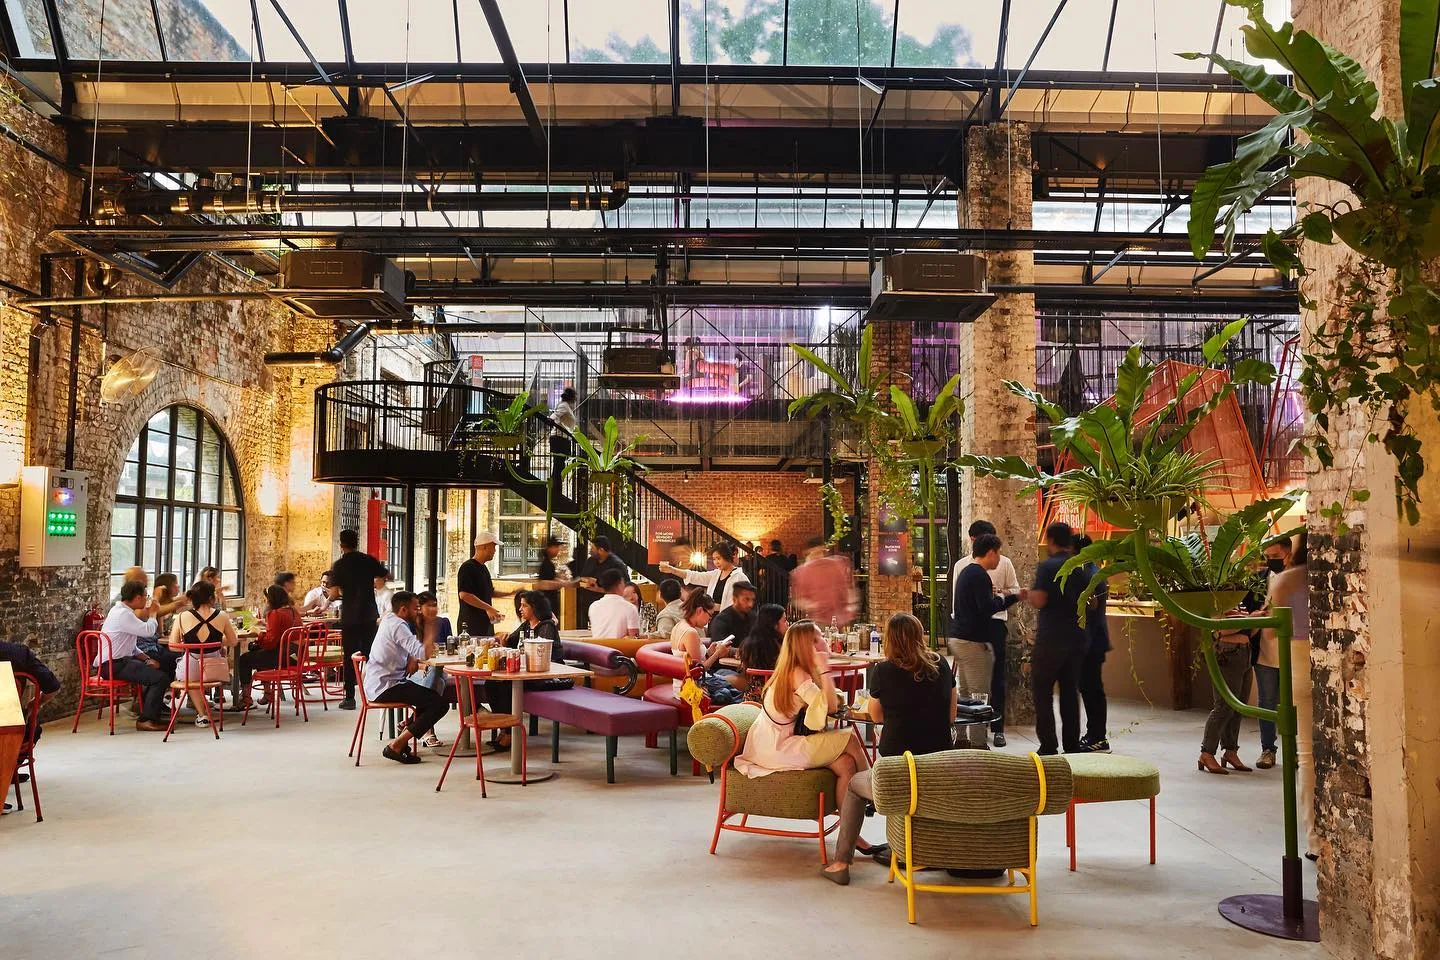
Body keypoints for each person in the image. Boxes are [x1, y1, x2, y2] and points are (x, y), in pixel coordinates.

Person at [822, 612, 957, 884]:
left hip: (897, 773)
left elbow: (876, 717)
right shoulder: (941, 664)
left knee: (854, 786)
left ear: (890, 640)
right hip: (938, 770)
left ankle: (840, 863)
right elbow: (952, 715)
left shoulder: (883, 671)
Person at [734, 620, 869, 839]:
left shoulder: (794, 670)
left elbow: (823, 705)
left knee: (846, 764)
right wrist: (824, 669)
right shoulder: (798, 674)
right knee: (850, 739)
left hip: (772, 743)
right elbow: (830, 707)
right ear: (807, 646)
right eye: (817, 638)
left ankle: (850, 837)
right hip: (779, 748)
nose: (824, 640)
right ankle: (872, 791)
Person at [950, 532, 1027, 748]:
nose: (999, 558)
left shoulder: (967, 571)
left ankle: (962, 739)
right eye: (998, 553)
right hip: (973, 642)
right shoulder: (979, 575)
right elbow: (987, 609)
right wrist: (1011, 598)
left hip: (960, 638)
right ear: (991, 553)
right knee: (979, 696)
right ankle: (978, 744)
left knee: (965, 692)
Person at [1265, 532, 1315, 857]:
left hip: (1297, 660)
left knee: (1306, 754)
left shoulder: (1286, 580)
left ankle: (1314, 839)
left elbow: (1272, 630)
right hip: (1336, 658)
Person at [1027, 522, 1092, 755]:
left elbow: (1040, 600)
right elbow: (1092, 601)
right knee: (1070, 693)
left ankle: (1048, 744)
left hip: (1051, 639)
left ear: (1051, 540)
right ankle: (1072, 744)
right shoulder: (1079, 567)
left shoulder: (1047, 567)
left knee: (1042, 691)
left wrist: (1029, 595)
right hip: (1076, 638)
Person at [364, 592, 448, 765]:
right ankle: (397, 744)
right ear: (403, 609)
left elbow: (411, 650)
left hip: (381, 681)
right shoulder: (398, 626)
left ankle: (405, 731)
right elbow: (423, 653)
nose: (418, 612)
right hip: (387, 686)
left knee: (433, 692)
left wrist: (411, 658)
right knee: (439, 704)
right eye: (415, 608)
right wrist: (431, 624)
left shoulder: (390, 619)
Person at [485, 591, 570, 748]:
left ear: (535, 607)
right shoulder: (526, 625)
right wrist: (502, 641)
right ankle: (505, 728)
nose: (520, 609)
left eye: (524, 606)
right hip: (530, 674)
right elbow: (511, 641)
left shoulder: (547, 626)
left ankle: (511, 733)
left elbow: (541, 653)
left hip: (548, 677)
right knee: (491, 684)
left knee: (506, 686)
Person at [327, 528, 389, 710]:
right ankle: (378, 691)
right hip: (369, 614)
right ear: (356, 542)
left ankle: (349, 698)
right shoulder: (367, 560)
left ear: (341, 544)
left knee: (349, 657)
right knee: (372, 654)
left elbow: (334, 593)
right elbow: (384, 574)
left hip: (350, 616)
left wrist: (333, 597)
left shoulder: (339, 565)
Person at [167, 579, 240, 726]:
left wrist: (190, 645)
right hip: (215, 669)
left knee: (191, 678)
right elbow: (233, 641)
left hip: (191, 669)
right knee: (196, 676)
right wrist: (216, 642)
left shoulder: (182, 617)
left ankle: (202, 714)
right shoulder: (222, 616)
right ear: (211, 598)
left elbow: (173, 646)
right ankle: (205, 711)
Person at [97, 581, 169, 731]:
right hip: (114, 665)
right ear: (137, 598)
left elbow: (130, 646)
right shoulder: (123, 614)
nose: (147, 599)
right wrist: (153, 613)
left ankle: (152, 711)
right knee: (160, 678)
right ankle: (146, 720)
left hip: (120, 662)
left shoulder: (121, 611)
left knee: (159, 671)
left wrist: (147, 659)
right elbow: (148, 631)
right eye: (146, 596)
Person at [1198, 598, 1257, 775]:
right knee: (1224, 705)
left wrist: (1256, 621)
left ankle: (1230, 751)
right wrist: (1250, 620)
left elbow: (1248, 631)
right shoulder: (1217, 600)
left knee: (1238, 706)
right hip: (1228, 653)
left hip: (1244, 653)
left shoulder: (1239, 601)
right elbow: (1221, 630)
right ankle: (1207, 752)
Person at [1254, 535, 1294, 769]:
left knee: (1294, 701)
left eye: (1276, 556)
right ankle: (1268, 749)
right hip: (1265, 651)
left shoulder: (1299, 579)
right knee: (1266, 702)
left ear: (1288, 553)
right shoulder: (1258, 581)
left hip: (1294, 650)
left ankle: (1296, 751)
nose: (1271, 561)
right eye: (1267, 557)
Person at [1072, 534, 1111, 753]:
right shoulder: (1094, 571)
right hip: (1094, 641)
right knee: (1090, 689)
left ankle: (1097, 737)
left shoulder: (1089, 574)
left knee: (1092, 690)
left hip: (1090, 642)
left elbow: (1091, 607)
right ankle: (1094, 734)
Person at [236, 583, 301, 711]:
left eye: (266, 599)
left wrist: (258, 633)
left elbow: (270, 643)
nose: (265, 602)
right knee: (259, 651)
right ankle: (267, 693)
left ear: (271, 599)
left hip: (283, 657)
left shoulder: (275, 613)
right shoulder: (293, 611)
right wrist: (266, 625)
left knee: (244, 659)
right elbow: (283, 630)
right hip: (296, 655)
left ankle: (246, 697)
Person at [668, 591, 740, 704]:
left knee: (731, 683)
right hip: (693, 688)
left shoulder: (679, 625)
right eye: (710, 616)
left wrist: (709, 652)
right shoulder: (691, 633)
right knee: (739, 693)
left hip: (683, 685)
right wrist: (717, 653)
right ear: (700, 610)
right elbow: (698, 671)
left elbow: (694, 662)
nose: (709, 621)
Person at [408, 591, 454, 748]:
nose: (433, 608)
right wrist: (423, 664)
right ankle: (426, 729)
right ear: (419, 608)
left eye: (435, 605)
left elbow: (450, 650)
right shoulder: (411, 626)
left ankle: (413, 721)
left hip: (438, 670)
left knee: (436, 673)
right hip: (415, 673)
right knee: (438, 682)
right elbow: (409, 658)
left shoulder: (443, 623)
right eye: (429, 606)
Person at [658, 540, 750, 611]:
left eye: (718, 558)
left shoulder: (739, 577)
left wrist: (716, 607)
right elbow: (695, 576)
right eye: (714, 559)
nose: (716, 562)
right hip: (713, 619)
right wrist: (672, 570)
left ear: (727, 557)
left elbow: (744, 605)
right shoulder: (716, 574)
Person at [789, 538, 858, 628]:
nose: (818, 556)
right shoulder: (801, 572)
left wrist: (851, 604)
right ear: (808, 553)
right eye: (815, 553)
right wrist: (812, 605)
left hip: (841, 617)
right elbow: (798, 599)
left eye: (820, 552)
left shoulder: (837, 564)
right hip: (819, 620)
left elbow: (849, 588)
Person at [0, 641, 60, 742]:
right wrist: (32, 705)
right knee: (33, 729)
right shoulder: (20, 653)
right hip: (10, 730)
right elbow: (52, 687)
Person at [457, 532, 503, 637]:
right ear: (485, 547)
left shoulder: (484, 568)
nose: (495, 550)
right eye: (493, 546)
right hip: (470, 626)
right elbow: (464, 595)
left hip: (485, 625)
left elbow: (489, 592)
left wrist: (511, 593)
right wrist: (488, 608)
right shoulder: (467, 567)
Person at [738, 603, 786, 702]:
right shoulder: (780, 646)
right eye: (784, 620)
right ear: (775, 625)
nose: (788, 624)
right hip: (776, 698)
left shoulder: (749, 643)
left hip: (751, 697)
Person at [588, 568, 641, 639]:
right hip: (619, 646)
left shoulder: (593, 606)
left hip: (596, 646)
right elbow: (634, 638)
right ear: (620, 584)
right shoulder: (630, 608)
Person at [531, 536, 574, 617]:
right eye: (556, 547)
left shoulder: (549, 563)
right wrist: (563, 583)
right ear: (550, 548)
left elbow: (550, 579)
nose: (558, 549)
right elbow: (543, 584)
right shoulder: (546, 564)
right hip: (547, 603)